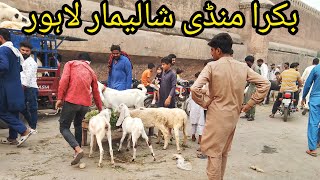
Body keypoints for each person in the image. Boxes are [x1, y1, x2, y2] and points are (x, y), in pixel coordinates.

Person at [191, 33, 270, 179]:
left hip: (217, 115)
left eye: (212, 50)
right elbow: (265, 84)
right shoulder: (242, 67)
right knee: (223, 152)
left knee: (214, 154)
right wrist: (248, 105)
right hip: (233, 116)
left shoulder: (212, 66)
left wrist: (204, 103)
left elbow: (194, 89)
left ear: (218, 50)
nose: (211, 53)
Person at [56, 52, 103, 165]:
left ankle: (78, 149)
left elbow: (64, 80)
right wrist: (100, 108)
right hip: (85, 104)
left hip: (72, 100)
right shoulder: (91, 71)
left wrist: (59, 98)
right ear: (88, 62)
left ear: (78, 59)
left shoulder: (71, 64)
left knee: (63, 127)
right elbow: (96, 92)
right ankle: (77, 151)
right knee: (78, 125)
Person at [0, 28, 35, 146]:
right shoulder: (15, 51)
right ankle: (12, 137)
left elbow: (3, 66)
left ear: (0, 38)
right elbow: (19, 69)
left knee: (2, 111)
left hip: (5, 87)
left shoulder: (3, 50)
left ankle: (24, 130)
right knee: (13, 111)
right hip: (15, 86)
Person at [301, 64, 320, 157]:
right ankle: (318, 141)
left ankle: (312, 149)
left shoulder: (316, 68)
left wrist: (303, 96)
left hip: (316, 99)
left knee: (313, 122)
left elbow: (308, 84)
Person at [19, 41, 39, 131]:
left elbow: (28, 76)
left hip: (30, 87)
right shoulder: (21, 60)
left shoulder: (31, 62)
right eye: (23, 50)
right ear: (20, 49)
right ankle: (31, 125)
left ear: (30, 51)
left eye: (27, 51)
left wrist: (22, 87)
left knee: (32, 108)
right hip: (23, 87)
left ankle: (33, 127)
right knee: (22, 107)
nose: (24, 52)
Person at [241, 56, 261, 121]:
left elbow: (257, 79)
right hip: (251, 86)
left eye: (246, 62)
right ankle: (247, 114)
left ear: (249, 62)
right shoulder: (252, 68)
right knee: (247, 100)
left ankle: (252, 115)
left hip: (254, 86)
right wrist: (246, 86)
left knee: (252, 101)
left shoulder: (256, 68)